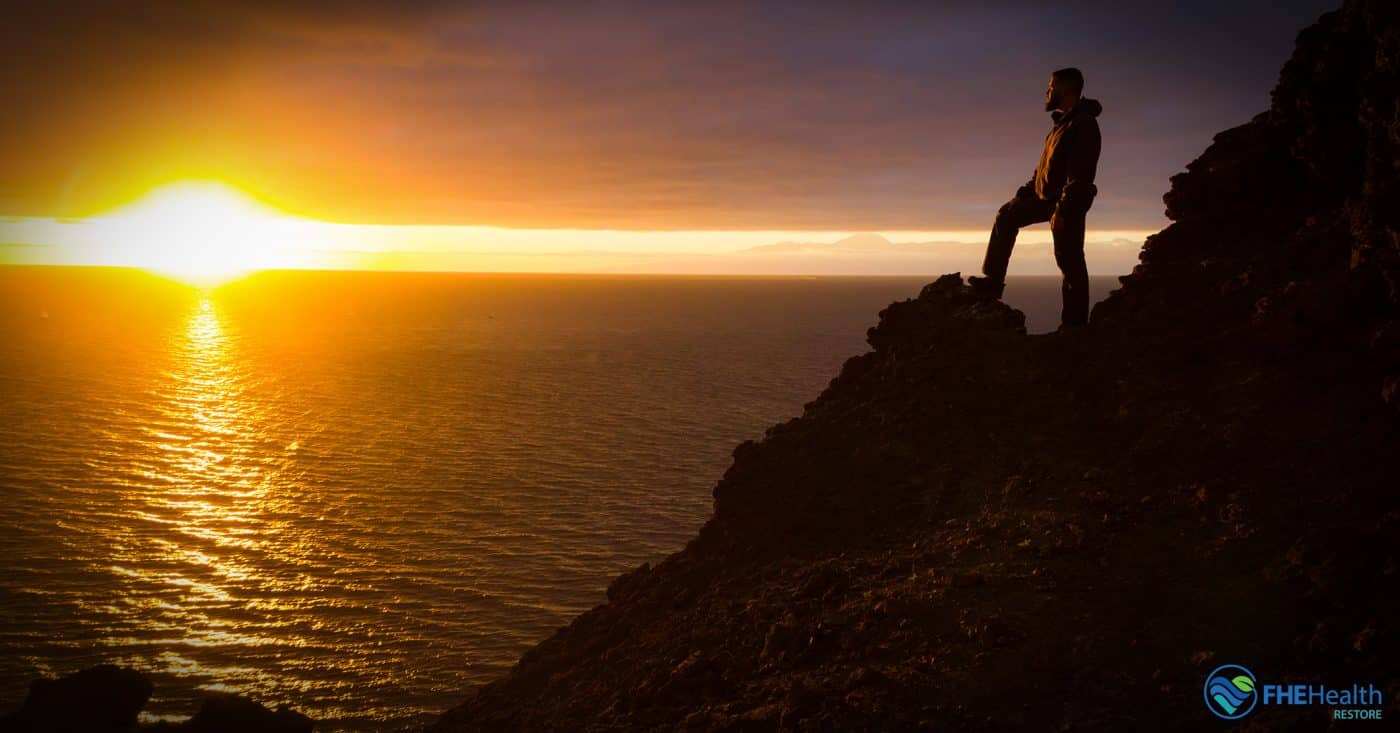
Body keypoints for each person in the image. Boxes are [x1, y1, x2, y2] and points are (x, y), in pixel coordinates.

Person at [968, 67, 1102, 329]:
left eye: (1051, 87)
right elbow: (1045, 169)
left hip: (1068, 202)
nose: (1047, 92)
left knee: (1070, 261)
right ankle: (993, 283)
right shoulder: (1061, 125)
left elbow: (1081, 174)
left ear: (1066, 89)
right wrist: (1026, 192)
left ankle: (1074, 327)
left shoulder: (1083, 124)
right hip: (1046, 198)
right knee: (1006, 215)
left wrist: (1064, 210)